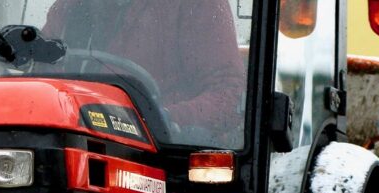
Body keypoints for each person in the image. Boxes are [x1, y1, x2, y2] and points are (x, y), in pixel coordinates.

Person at [41, 0, 246, 140]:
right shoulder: (70, 8)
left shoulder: (195, 5)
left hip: (161, 162)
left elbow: (230, 96)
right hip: (75, 145)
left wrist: (164, 120)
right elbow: (40, 79)